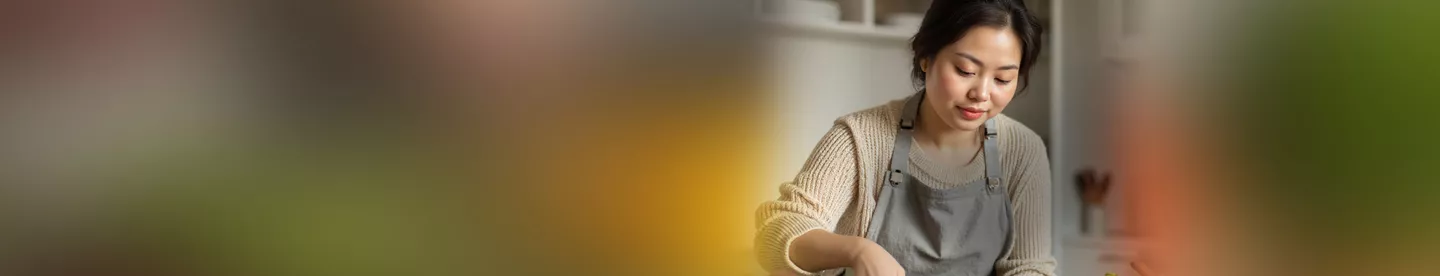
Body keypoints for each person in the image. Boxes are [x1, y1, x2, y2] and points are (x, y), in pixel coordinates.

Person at [754, 0, 1054, 275]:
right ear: (925, 58)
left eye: (1002, 79)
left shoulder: (1022, 150)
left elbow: (1030, 266)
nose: (982, 93)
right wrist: (856, 250)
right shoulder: (861, 137)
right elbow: (777, 231)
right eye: (965, 71)